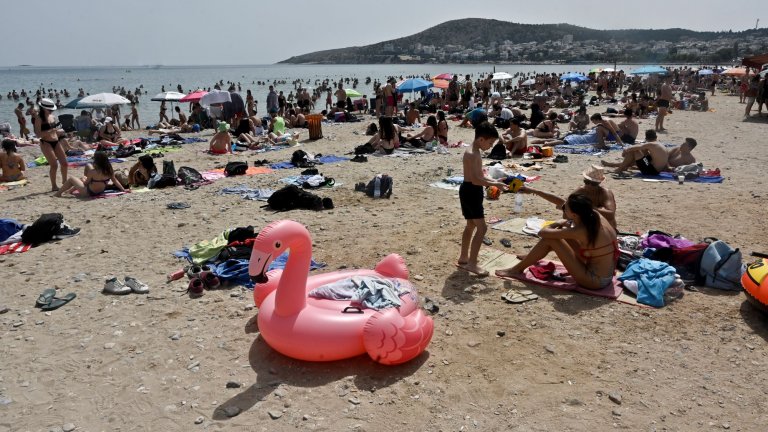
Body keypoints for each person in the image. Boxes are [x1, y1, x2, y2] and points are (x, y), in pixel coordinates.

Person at [495, 193, 618, 290]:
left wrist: (557, 222)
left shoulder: (581, 230)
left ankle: (516, 270)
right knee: (563, 231)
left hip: (595, 281)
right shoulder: (594, 215)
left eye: (565, 208)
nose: (563, 209)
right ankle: (531, 257)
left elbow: (542, 233)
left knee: (550, 239)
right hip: (604, 272)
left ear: (575, 215)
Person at [456, 122, 507, 277]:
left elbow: (479, 176)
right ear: (481, 139)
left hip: (468, 189)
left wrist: (493, 180)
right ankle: (472, 263)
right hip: (471, 191)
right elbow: (476, 180)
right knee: (482, 228)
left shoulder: (474, 151)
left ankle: (464, 257)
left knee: (471, 224)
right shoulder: (473, 153)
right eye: (490, 143)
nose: (490, 147)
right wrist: (495, 183)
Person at [521, 165, 617, 229]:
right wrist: (534, 191)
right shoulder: (581, 190)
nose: (590, 185)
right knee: (566, 209)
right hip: (590, 227)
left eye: (593, 183)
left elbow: (611, 214)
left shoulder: (605, 193)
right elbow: (562, 203)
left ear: (599, 183)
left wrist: (589, 207)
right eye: (587, 182)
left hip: (605, 228)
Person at [54, 151, 127, 197]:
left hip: (89, 193)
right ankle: (69, 191)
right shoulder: (109, 170)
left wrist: (83, 180)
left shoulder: (92, 171)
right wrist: (123, 189)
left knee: (71, 179)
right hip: (100, 191)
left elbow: (86, 183)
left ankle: (58, 194)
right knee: (82, 178)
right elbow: (115, 181)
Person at [33, 98, 68, 191]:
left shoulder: (52, 116)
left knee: (65, 163)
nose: (51, 111)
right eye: (50, 109)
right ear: (43, 108)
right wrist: (51, 131)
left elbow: (54, 131)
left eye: (52, 109)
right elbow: (38, 134)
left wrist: (59, 132)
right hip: (46, 143)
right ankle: (54, 186)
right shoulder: (38, 118)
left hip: (56, 141)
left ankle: (65, 182)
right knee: (54, 165)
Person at [601, 129, 669, 175]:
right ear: (656, 137)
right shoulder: (661, 145)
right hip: (655, 170)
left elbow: (634, 148)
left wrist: (625, 151)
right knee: (640, 153)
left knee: (634, 151)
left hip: (651, 171)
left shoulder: (651, 144)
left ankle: (619, 169)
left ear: (646, 138)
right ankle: (613, 165)